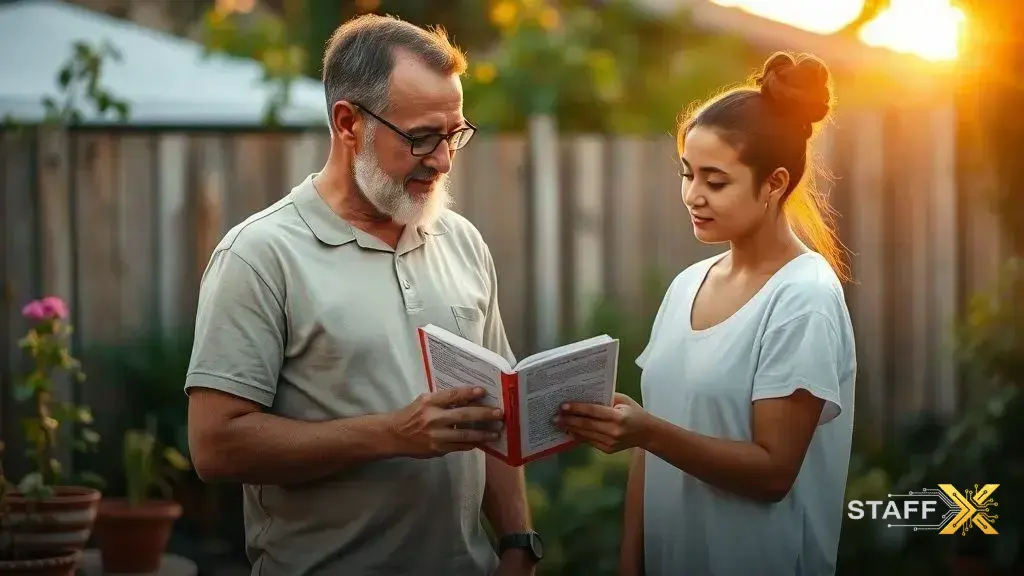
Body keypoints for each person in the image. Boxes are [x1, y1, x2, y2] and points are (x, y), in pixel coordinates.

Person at [184, 14, 542, 576]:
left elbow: (494, 414)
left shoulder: (462, 241)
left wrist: (519, 542)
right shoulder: (259, 254)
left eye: (454, 134)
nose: (443, 160)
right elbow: (214, 446)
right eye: (421, 137)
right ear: (348, 123)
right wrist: (392, 434)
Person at [556, 51, 857, 576]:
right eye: (687, 174)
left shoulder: (803, 298)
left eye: (715, 181)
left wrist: (648, 431)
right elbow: (652, 450)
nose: (693, 196)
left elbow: (773, 473)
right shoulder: (686, 286)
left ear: (775, 183)